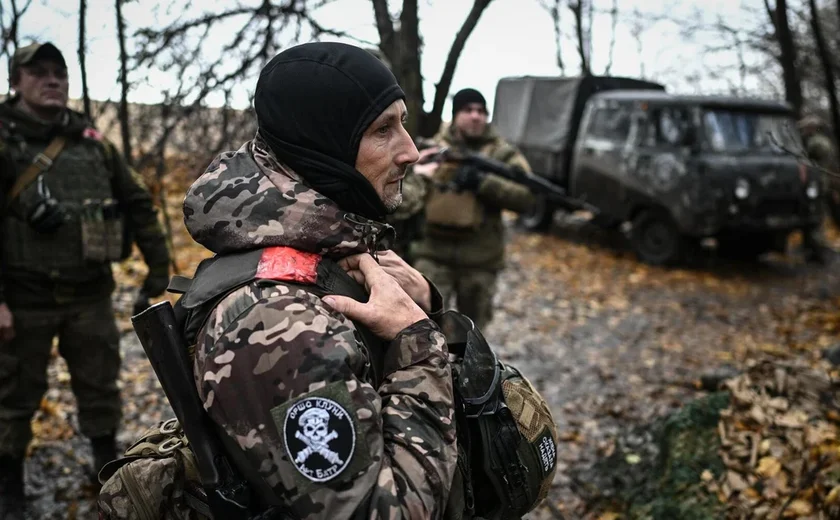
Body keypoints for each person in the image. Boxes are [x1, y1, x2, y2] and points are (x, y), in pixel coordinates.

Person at [0, 42, 170, 516]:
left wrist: (158, 269)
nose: (52, 79)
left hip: (90, 294)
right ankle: (9, 484)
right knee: (12, 396)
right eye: (39, 73)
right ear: (16, 81)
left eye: (60, 73)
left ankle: (103, 468)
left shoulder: (92, 143)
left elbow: (137, 202)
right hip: (23, 296)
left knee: (100, 386)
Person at [411, 88, 535, 329]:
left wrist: (483, 183)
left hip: (480, 260)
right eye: (468, 110)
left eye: (481, 111)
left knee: (473, 335)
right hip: (432, 254)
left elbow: (526, 197)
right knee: (422, 327)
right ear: (456, 115)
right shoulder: (433, 149)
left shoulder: (502, 153)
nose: (476, 116)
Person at [797, 115, 835, 263]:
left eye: (808, 128)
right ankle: (811, 248)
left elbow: (813, 154)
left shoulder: (818, 143)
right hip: (812, 184)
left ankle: (817, 251)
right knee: (811, 215)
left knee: (816, 217)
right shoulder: (816, 141)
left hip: (816, 185)